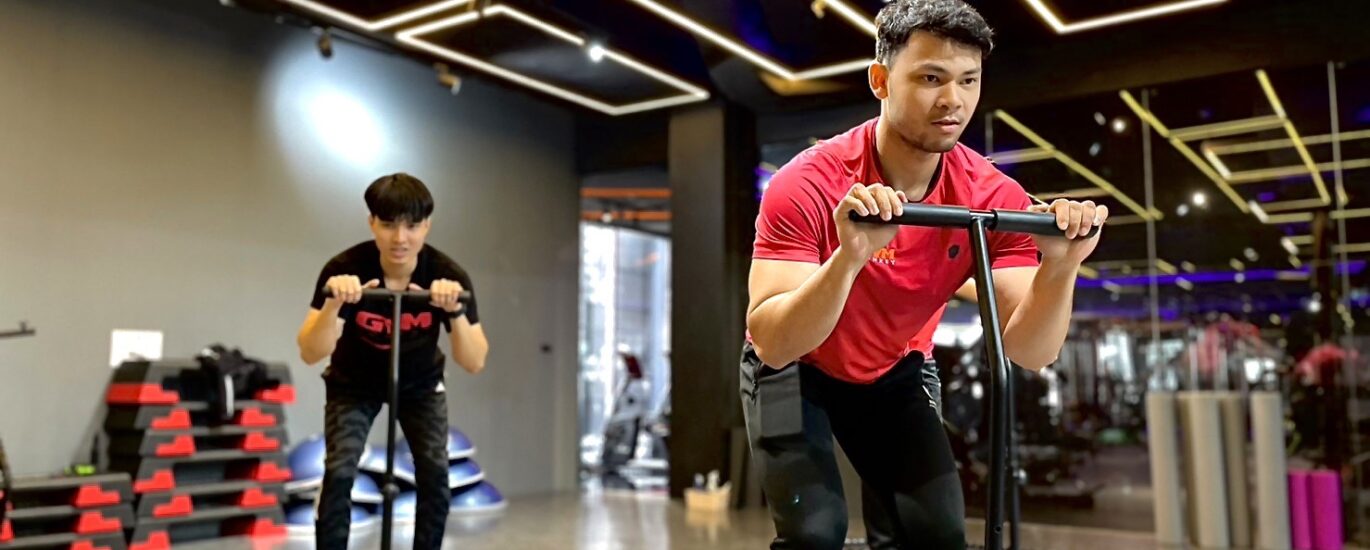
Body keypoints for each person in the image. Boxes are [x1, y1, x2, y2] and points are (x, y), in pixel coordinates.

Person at [739, 0, 1108, 548]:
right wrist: (849, 259)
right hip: (796, 369)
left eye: (968, 80)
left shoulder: (991, 197)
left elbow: (1031, 352)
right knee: (814, 533)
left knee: (935, 533)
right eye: (931, 78)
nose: (953, 99)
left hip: (895, 370)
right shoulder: (808, 183)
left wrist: (1061, 266)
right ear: (880, 81)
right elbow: (773, 343)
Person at [296, 173, 489, 550]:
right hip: (353, 383)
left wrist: (454, 311)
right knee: (339, 473)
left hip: (420, 385)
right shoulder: (344, 269)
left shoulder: (447, 275)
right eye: (388, 225)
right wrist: (334, 305)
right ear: (372, 223)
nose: (400, 238)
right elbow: (310, 352)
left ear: (427, 226)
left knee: (435, 474)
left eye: (412, 226)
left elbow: (474, 361)